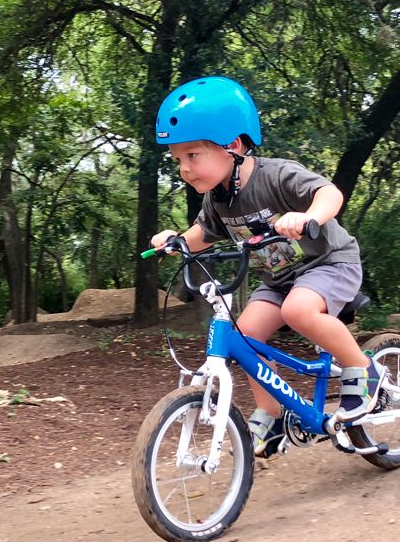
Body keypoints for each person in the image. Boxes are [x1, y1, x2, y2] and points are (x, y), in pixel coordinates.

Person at [148, 75, 381, 457]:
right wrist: (177, 240)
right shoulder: (217, 199)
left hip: (329, 263)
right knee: (245, 335)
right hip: (279, 279)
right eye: (178, 160)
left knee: (298, 310)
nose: (184, 169)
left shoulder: (276, 175)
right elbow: (203, 234)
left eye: (193, 155)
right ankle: (271, 416)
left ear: (233, 146)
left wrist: (308, 217)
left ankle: (364, 371)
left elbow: (329, 193)